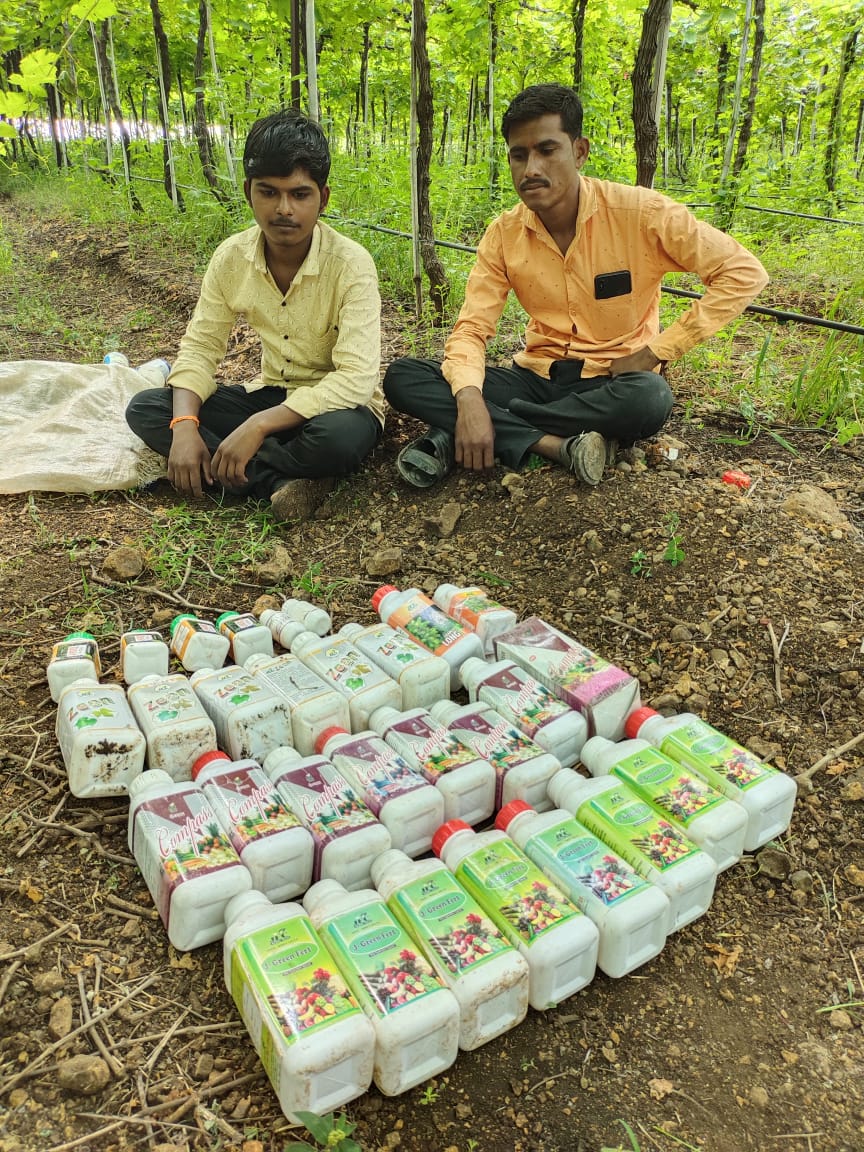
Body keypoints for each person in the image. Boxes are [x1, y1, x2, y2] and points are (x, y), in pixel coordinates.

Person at [384, 83, 768, 489]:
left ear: (580, 152)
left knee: (650, 398)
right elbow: (472, 329)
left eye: (547, 150)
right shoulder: (503, 234)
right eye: (519, 155)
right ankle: (554, 445)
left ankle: (482, 428)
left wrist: (656, 351)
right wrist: (468, 398)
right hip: (535, 378)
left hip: (612, 380)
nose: (531, 169)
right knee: (405, 376)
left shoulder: (642, 214)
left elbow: (743, 272)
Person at [126, 109, 382, 520]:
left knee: (338, 439)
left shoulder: (351, 264)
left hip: (336, 408)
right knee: (147, 409)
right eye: (269, 192)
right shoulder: (231, 258)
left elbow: (355, 379)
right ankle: (279, 483)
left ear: (323, 198)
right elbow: (200, 347)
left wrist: (257, 426)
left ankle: (235, 466)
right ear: (249, 192)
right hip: (272, 392)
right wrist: (185, 425)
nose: (284, 209)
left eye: (300, 194)